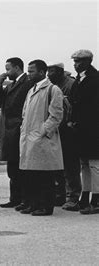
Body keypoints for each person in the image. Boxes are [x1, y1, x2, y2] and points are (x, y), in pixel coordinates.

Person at [19, 60, 64, 216]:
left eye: (32, 71)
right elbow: (25, 113)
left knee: (45, 175)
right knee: (32, 174)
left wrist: (43, 131)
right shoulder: (31, 90)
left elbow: (56, 115)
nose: (29, 74)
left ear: (42, 72)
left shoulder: (53, 89)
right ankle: (34, 203)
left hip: (42, 138)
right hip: (29, 137)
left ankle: (46, 206)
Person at [0, 57, 33, 209]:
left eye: (8, 69)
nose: (6, 72)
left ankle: (24, 198)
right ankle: (15, 197)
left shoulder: (27, 83)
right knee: (12, 167)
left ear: (17, 68)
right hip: (9, 129)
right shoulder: (12, 85)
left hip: (18, 129)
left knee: (20, 167)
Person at [47, 62, 81, 211]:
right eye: (48, 71)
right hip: (56, 130)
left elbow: (77, 106)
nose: (49, 74)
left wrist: (72, 123)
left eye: (52, 71)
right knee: (57, 165)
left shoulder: (71, 84)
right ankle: (60, 195)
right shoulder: (51, 86)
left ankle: (73, 197)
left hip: (69, 132)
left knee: (70, 166)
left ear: (60, 72)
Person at [70, 50, 99, 215]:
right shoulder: (80, 80)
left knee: (95, 164)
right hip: (81, 128)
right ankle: (85, 196)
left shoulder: (95, 79)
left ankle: (96, 198)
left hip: (93, 127)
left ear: (88, 61)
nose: (76, 64)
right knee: (84, 164)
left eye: (79, 61)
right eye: (75, 62)